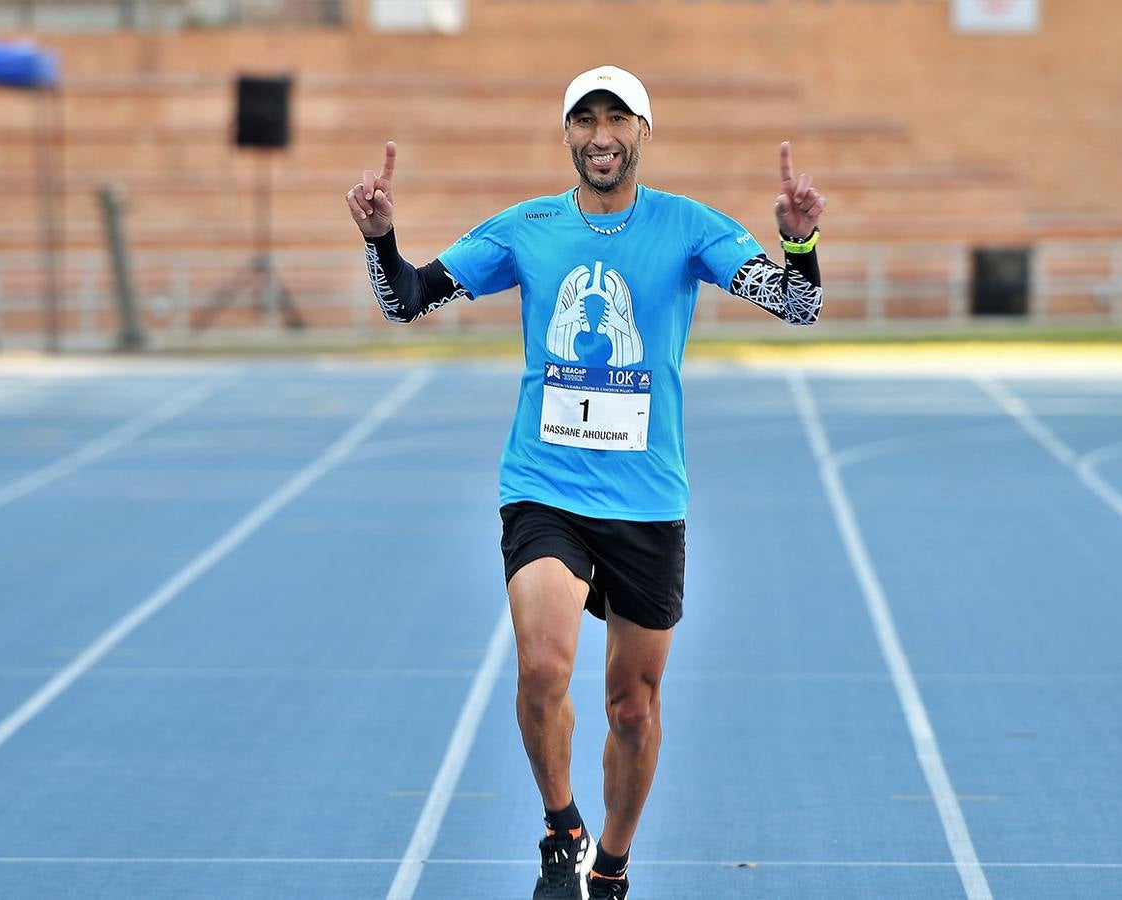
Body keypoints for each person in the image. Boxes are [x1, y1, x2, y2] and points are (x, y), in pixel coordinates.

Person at [347, 65, 824, 900]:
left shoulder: (687, 228)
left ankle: (611, 861)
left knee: (631, 707)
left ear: (644, 131)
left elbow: (797, 307)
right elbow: (408, 301)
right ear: (567, 135)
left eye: (617, 119)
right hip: (545, 485)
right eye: (585, 120)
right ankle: (561, 825)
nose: (601, 135)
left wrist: (798, 242)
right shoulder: (525, 228)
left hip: (646, 500)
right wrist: (381, 240)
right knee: (542, 667)